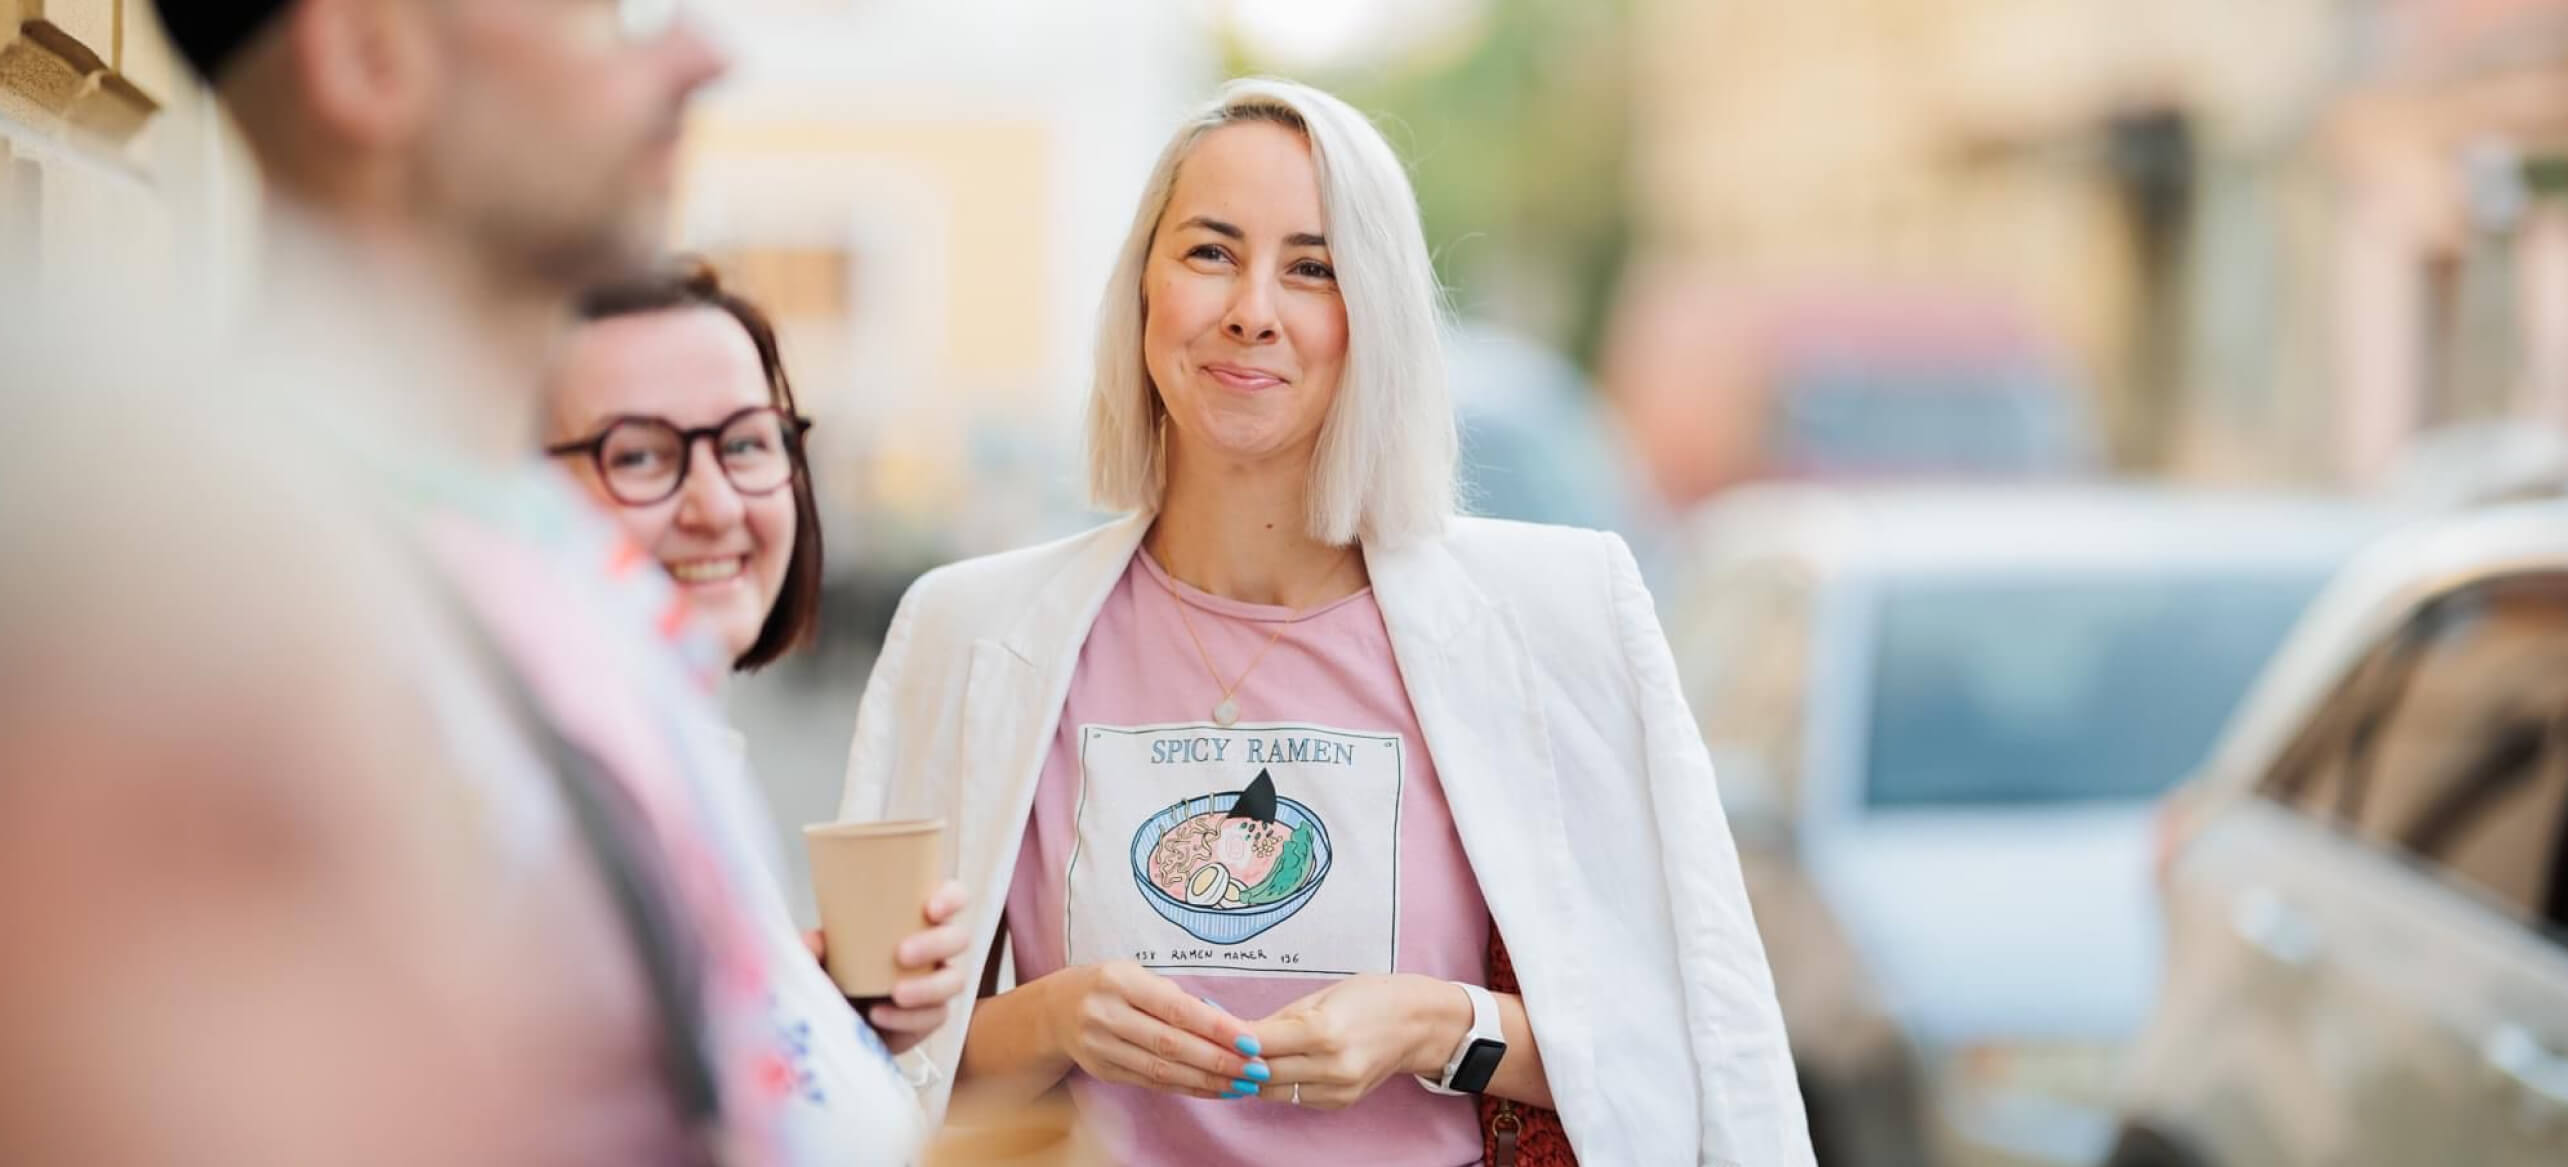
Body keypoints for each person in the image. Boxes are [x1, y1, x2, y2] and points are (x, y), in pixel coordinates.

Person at [835, 77, 1813, 1165]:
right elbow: (860, 1066)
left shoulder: (1563, 619)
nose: (1253, 306)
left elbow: (1699, 1052)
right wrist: (1053, 1020)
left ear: (1376, 316)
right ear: (1145, 291)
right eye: (1210, 252)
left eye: (1313, 267)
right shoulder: (966, 633)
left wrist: (1437, 1027)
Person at [63, 0, 949, 1160]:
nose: (699, 57)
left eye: (748, 441)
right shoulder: (232, 639)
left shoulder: (546, 570)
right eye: (598, 21)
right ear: (372, 58)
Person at [545, 260, 975, 1060]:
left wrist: (819, 1023)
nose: (716, 505)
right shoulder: (532, 815)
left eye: (745, 443)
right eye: (638, 455)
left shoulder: (688, 763)